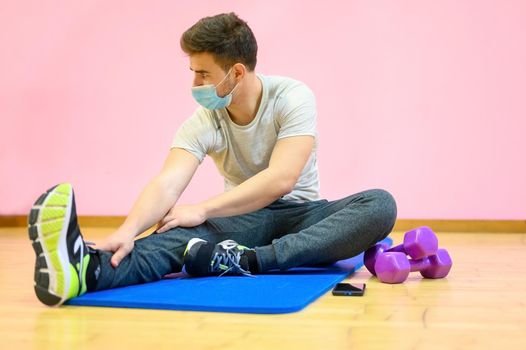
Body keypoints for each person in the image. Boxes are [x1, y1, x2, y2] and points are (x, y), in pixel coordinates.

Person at [27, 13, 397, 306]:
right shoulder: (204, 120)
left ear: (237, 71)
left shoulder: (292, 97)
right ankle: (82, 271)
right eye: (193, 73)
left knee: (379, 205)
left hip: (303, 215)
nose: (195, 85)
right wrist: (127, 230)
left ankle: (247, 261)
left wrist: (202, 209)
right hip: (242, 220)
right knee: (173, 235)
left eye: (203, 74)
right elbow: (167, 182)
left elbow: (282, 179)